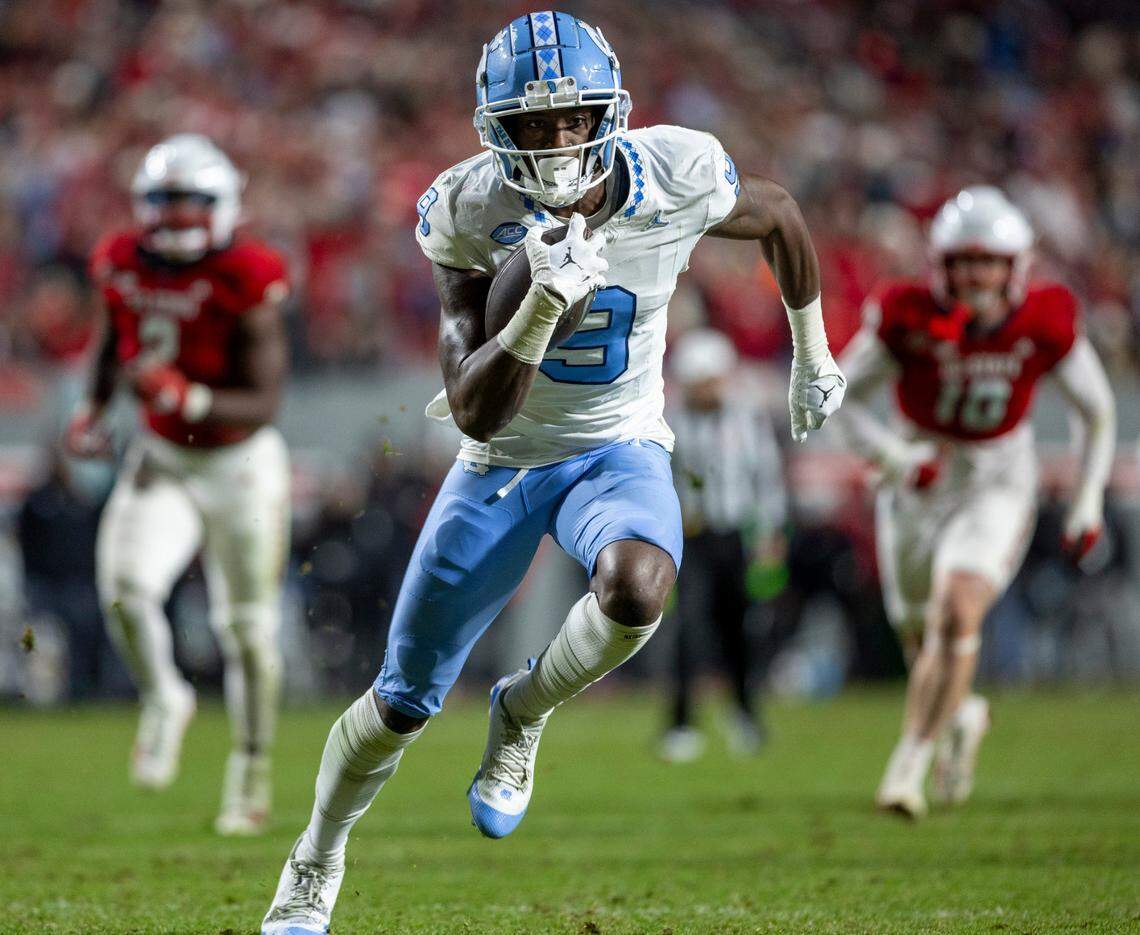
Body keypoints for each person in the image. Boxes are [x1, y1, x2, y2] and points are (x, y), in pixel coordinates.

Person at [262, 13, 845, 932]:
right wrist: (534, 313)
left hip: (620, 445)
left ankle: (522, 712)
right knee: (399, 702)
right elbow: (473, 406)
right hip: (502, 458)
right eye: (532, 124)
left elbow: (780, 215)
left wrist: (812, 354)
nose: (556, 139)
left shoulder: (676, 171)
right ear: (497, 128)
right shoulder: (468, 208)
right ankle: (313, 860)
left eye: (572, 117)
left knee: (641, 585)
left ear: (606, 112)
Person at [833, 186, 1115, 819]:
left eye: (987, 261)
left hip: (995, 475)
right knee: (916, 632)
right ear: (941, 264)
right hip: (918, 475)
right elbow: (838, 397)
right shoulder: (906, 314)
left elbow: (1096, 413)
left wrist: (1086, 501)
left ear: (1015, 266)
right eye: (963, 261)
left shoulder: (1045, 318)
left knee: (957, 614)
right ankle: (961, 716)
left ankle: (909, 765)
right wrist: (896, 458)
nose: (975, 275)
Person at [65, 133, 291, 836]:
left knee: (247, 630)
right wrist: (96, 406)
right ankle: (166, 696)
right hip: (161, 455)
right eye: (167, 201)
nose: (180, 216)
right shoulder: (121, 258)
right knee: (125, 590)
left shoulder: (247, 272)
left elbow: (264, 399)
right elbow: (115, 337)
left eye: (194, 202)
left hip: (240, 463)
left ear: (222, 205)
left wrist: (187, 397)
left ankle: (249, 769)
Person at [659, 328, 788, 762]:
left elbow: (765, 478)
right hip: (690, 538)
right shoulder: (669, 420)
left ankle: (744, 714)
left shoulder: (745, 417)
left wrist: (770, 534)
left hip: (735, 536)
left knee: (741, 631)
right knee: (688, 632)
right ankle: (680, 723)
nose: (706, 391)